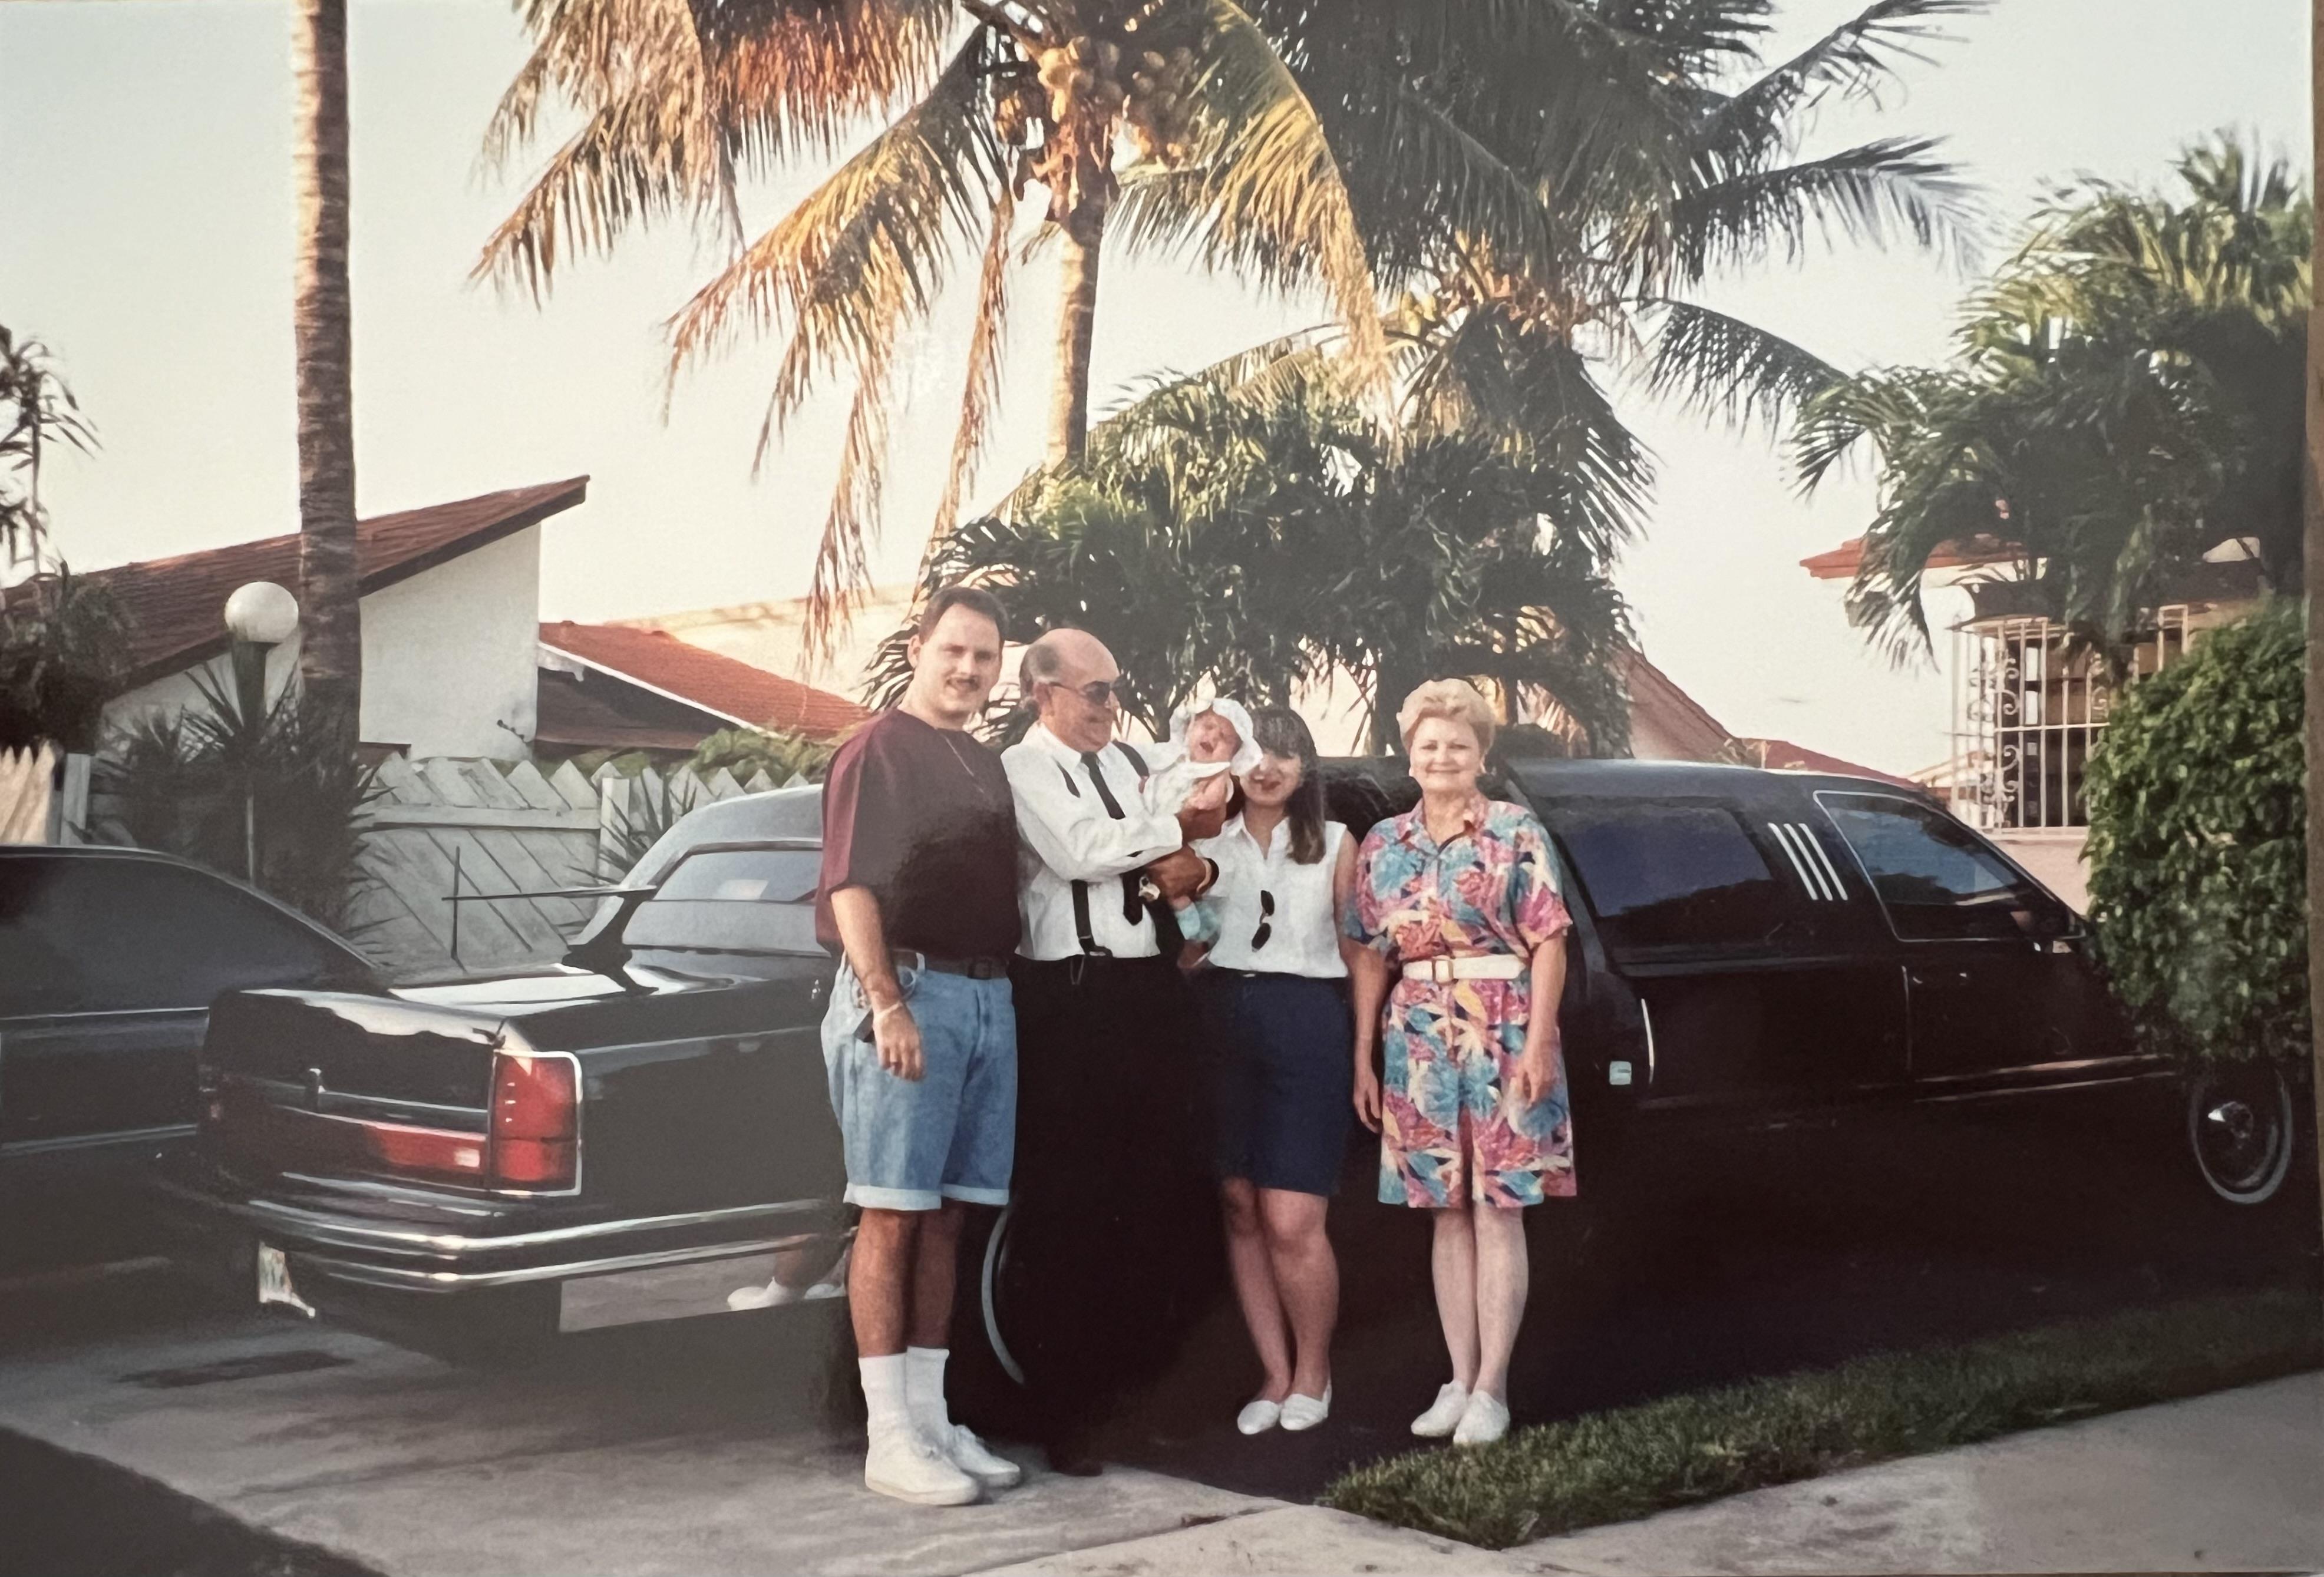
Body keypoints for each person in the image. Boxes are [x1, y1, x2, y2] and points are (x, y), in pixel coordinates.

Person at [800, 584, 1025, 1506]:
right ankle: (887, 1434)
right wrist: (888, 1003)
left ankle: (931, 1421)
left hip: (985, 994)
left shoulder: (982, 761)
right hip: (910, 989)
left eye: (984, 656)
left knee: (950, 1214)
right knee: (891, 1210)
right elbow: (852, 887)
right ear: (919, 649)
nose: (968, 670)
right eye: (954, 651)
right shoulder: (876, 748)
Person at [1001, 628, 1226, 1472]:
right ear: (1042, 693)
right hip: (1073, 998)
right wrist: (1173, 831)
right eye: (1095, 692)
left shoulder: (1131, 762)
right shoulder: (1026, 770)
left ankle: (1146, 1395)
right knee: (1076, 1205)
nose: (1110, 708)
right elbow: (1081, 850)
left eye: (1115, 691)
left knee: (1160, 1193)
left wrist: (1189, 865)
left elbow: (1184, 863)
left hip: (1148, 993)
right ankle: (1070, 1408)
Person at [1345, 679, 1574, 1448]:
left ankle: (1493, 1390)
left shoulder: (1514, 831)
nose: (1442, 756)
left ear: (1481, 754)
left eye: (1458, 745)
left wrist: (1541, 1041)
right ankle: (1457, 1377)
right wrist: (1365, 1050)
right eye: (1429, 744)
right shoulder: (1384, 843)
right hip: (1417, 1038)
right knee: (1444, 1211)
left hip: (1505, 1029)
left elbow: (1549, 939)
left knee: (1498, 1208)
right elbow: (1370, 952)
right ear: (1411, 754)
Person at [1187, 706, 1362, 1436]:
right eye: (1254, 753)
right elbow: (1186, 938)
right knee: (1238, 1201)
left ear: (1305, 769)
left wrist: (1362, 1056)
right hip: (1222, 1015)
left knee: (1293, 1214)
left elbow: (1360, 956)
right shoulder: (1205, 841)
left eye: (1284, 756)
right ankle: (1274, 1373)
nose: (1266, 768)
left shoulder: (1335, 845)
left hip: (1307, 1019)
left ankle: (1314, 1371)